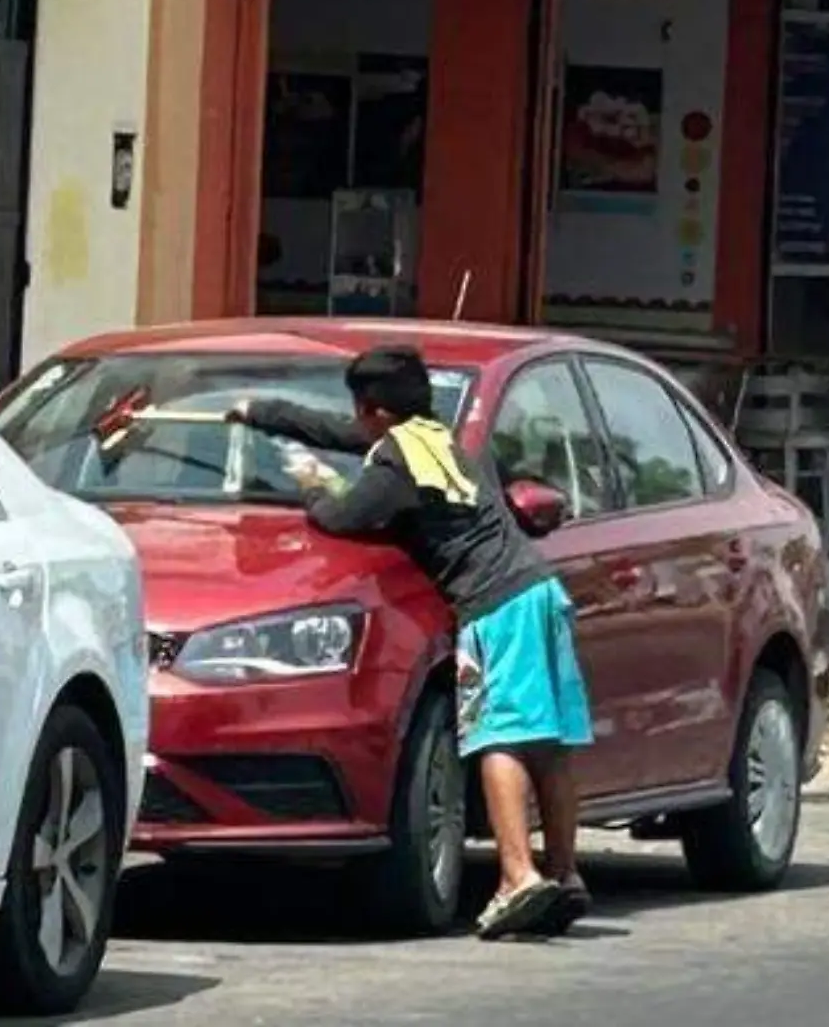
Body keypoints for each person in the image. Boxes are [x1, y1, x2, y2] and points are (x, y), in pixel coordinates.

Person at [228, 345, 594, 940]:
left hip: (495, 606)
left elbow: (344, 517)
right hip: (540, 593)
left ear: (374, 411)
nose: (353, 423)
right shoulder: (437, 439)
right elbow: (339, 432)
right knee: (548, 743)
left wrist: (313, 487)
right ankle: (564, 872)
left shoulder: (395, 466)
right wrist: (258, 410)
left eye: (359, 412)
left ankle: (518, 878)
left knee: (499, 736)